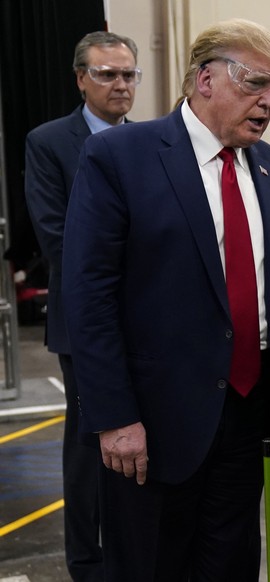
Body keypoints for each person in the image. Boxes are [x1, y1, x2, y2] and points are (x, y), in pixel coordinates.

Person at [61, 19, 270, 581]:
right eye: (255, 83)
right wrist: (114, 416)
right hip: (150, 423)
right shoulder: (121, 158)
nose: (269, 100)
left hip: (248, 413)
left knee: (229, 562)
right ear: (204, 79)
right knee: (151, 565)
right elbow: (89, 297)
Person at [24, 30, 140, 582]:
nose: (120, 85)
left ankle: (133, 547)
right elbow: (58, 241)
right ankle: (87, 561)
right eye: (107, 74)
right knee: (89, 443)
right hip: (86, 323)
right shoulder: (49, 143)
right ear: (80, 79)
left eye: (128, 75)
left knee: (140, 439)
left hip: (147, 321)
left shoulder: (150, 143)